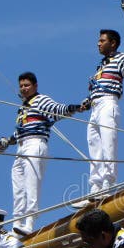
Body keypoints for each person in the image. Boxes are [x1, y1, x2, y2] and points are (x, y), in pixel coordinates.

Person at [75, 30, 124, 204]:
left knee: (108, 143)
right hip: (95, 106)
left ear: (113, 43)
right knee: (94, 146)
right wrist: (87, 101)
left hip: (108, 103)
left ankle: (108, 183)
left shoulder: (120, 59)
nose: (98, 43)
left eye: (102, 40)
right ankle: (95, 186)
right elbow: (97, 88)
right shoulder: (101, 66)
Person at [10, 71, 82, 236]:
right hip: (21, 147)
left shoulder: (41, 100)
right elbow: (21, 130)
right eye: (21, 86)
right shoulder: (23, 108)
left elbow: (56, 109)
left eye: (27, 85)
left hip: (35, 143)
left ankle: (29, 222)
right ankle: (16, 222)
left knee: (31, 183)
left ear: (35, 86)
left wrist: (72, 108)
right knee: (18, 185)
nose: (23, 89)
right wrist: (8, 140)